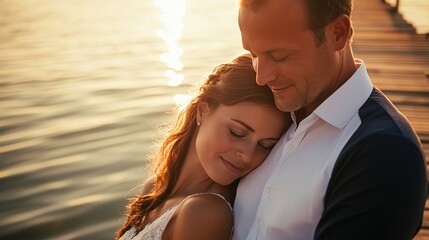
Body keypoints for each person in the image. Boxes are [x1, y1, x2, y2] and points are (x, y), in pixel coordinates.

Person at [233, 0, 428, 239]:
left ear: (338, 34)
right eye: (252, 54)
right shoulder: (267, 112)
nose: (261, 78)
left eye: (280, 56)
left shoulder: (387, 153)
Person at [116, 53, 290, 240]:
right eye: (237, 133)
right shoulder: (155, 187)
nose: (247, 156)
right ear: (202, 111)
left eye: (265, 145)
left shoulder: (205, 213)